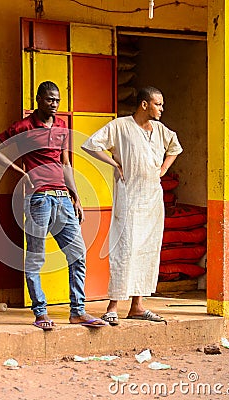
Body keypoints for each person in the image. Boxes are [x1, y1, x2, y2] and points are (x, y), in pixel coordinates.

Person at [0, 81, 108, 330]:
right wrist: (21, 171)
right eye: (50, 100)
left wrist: (77, 197)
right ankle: (41, 313)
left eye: (57, 101)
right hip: (38, 200)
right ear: (38, 99)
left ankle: (78, 311)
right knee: (36, 258)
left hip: (63, 199)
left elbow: (65, 164)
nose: (54, 105)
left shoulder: (62, 126)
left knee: (77, 254)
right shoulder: (23, 127)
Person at [81, 86, 183, 325]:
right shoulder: (120, 126)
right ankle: (113, 305)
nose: (161, 108)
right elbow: (91, 144)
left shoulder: (160, 130)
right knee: (124, 248)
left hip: (152, 198)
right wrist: (114, 164)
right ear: (144, 104)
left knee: (147, 249)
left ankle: (137, 305)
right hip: (129, 197)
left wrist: (163, 169)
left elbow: (175, 147)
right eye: (158, 104)